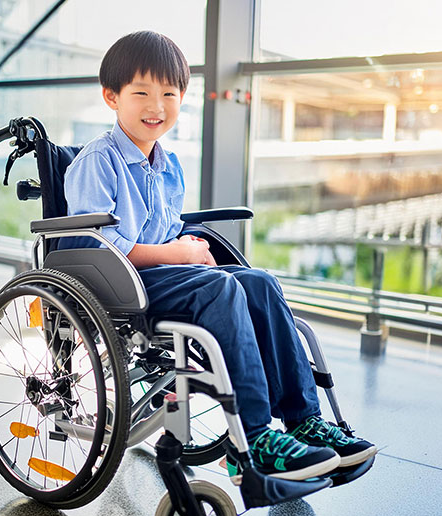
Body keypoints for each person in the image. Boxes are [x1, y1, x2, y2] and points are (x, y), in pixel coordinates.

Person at [64, 30, 376, 481]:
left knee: (260, 283)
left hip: (166, 273)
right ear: (112, 97)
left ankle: (304, 419)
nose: (157, 106)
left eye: (169, 94)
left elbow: (170, 230)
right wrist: (178, 253)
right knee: (222, 288)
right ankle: (251, 439)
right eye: (141, 93)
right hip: (121, 280)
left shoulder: (166, 165)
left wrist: (191, 250)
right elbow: (102, 244)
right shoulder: (98, 161)